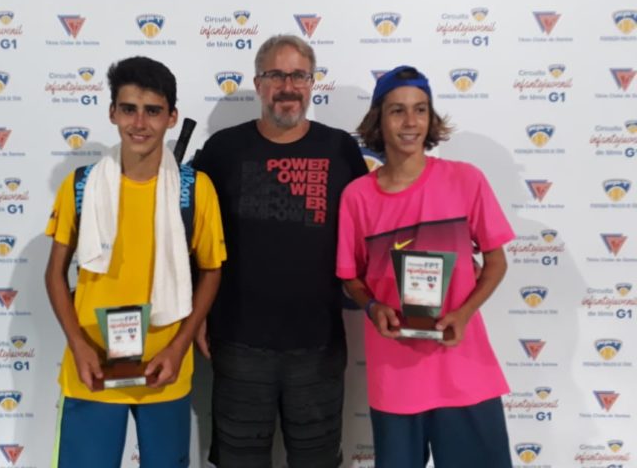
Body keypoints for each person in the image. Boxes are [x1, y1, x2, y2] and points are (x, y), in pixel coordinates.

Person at [193, 35, 368, 468]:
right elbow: (194, 237)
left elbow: (371, 228)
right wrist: (196, 314)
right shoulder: (222, 150)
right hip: (238, 342)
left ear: (312, 83)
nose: (287, 87)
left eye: (298, 76)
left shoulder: (341, 149)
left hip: (318, 345)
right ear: (258, 83)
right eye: (275, 75)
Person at [44, 56, 226, 468]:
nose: (140, 123)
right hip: (92, 368)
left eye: (153, 111)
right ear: (112, 112)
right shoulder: (81, 186)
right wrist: (78, 345)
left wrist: (179, 347)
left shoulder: (194, 190)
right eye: (129, 109)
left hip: (164, 370)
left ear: (172, 117)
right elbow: (54, 274)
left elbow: (212, 271)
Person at [337, 65, 515, 468]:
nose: (410, 122)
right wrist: (372, 307)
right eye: (397, 111)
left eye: (420, 109)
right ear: (378, 120)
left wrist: (463, 313)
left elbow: (496, 261)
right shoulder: (357, 197)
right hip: (396, 379)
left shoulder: (465, 180)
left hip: (465, 372)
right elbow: (351, 277)